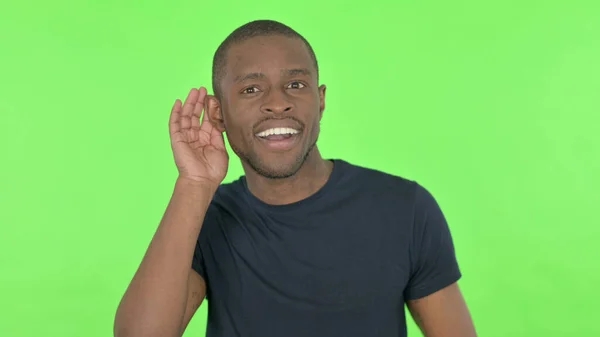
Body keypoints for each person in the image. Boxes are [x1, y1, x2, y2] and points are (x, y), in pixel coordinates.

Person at [114, 19, 477, 337]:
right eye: (251, 89)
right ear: (218, 113)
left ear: (320, 102)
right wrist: (194, 184)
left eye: (296, 85)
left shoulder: (404, 208)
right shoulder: (203, 217)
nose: (277, 103)